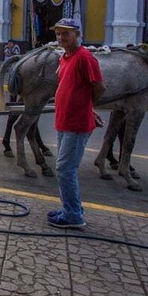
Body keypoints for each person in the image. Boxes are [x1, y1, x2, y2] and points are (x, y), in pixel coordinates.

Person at [47, 18, 105, 229]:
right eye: (58, 34)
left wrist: (87, 108)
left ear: (77, 35)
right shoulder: (65, 57)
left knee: (65, 168)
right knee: (64, 167)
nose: (61, 37)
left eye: (66, 34)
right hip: (63, 120)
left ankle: (73, 216)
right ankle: (69, 208)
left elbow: (99, 87)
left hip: (76, 123)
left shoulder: (84, 57)